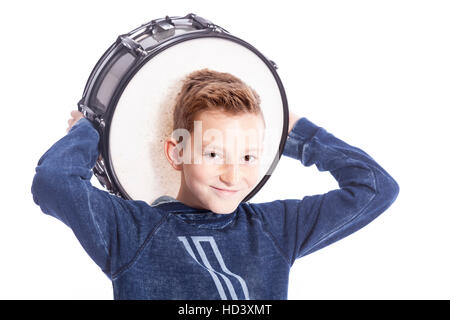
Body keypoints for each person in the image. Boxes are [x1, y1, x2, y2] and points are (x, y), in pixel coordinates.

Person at [31, 68, 399, 300]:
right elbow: (52, 182)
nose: (233, 175)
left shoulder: (276, 229)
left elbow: (377, 187)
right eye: (213, 155)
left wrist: (294, 130)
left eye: (248, 157)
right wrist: (91, 129)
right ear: (176, 152)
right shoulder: (129, 230)